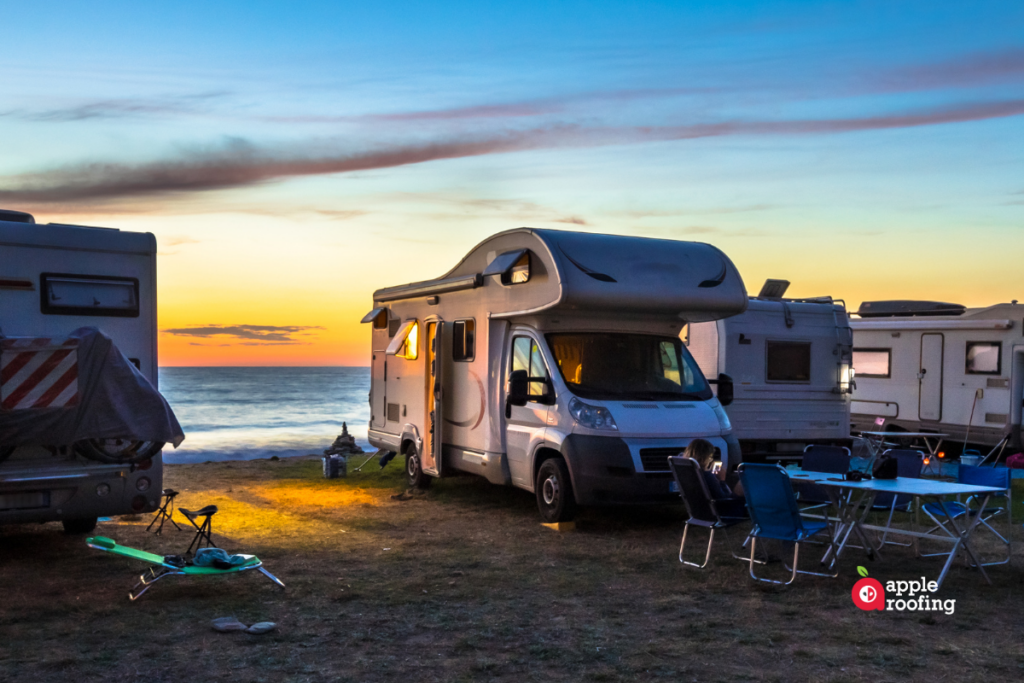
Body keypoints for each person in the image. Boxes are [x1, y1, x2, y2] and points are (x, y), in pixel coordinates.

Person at [683, 438, 746, 518]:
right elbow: (724, 498)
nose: (711, 460)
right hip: (724, 513)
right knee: (743, 480)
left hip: (699, 513)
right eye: (710, 457)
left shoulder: (689, 473)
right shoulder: (707, 476)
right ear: (703, 458)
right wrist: (722, 480)